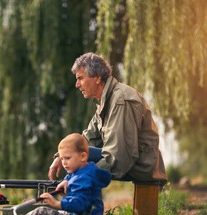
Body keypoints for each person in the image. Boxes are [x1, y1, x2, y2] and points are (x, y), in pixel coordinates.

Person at [48, 52, 167, 185]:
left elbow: (119, 157)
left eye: (80, 78)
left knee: (76, 157)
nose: (77, 85)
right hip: (132, 160)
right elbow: (86, 140)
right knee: (74, 154)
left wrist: (81, 178)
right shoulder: (105, 102)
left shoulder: (120, 100)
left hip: (143, 165)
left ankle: (75, 199)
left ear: (97, 78)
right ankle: (71, 197)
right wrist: (61, 157)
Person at [0, 133, 112, 215]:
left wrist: (57, 203)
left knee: (40, 213)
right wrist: (66, 179)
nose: (63, 163)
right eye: (62, 158)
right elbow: (74, 174)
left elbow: (80, 203)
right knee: (50, 213)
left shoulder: (84, 178)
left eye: (67, 158)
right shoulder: (87, 169)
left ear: (83, 156)